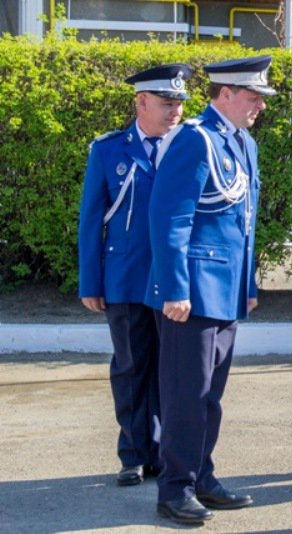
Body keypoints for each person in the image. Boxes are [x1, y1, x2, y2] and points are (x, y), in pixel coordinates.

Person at [145, 56, 275, 525]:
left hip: (225, 291)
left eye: (260, 97)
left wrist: (248, 284)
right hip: (193, 293)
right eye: (253, 95)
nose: (259, 104)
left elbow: (242, 224)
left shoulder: (241, 142)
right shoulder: (195, 139)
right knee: (186, 393)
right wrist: (174, 289)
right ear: (225, 94)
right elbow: (170, 218)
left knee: (210, 394)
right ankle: (175, 487)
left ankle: (201, 475)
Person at [78, 63, 193, 487]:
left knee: (170, 369)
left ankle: (164, 453)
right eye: (166, 103)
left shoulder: (189, 146)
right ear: (142, 102)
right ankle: (132, 453)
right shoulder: (109, 150)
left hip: (170, 280)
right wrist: (91, 280)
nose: (175, 111)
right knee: (130, 367)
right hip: (125, 277)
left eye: (179, 103)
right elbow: (92, 219)